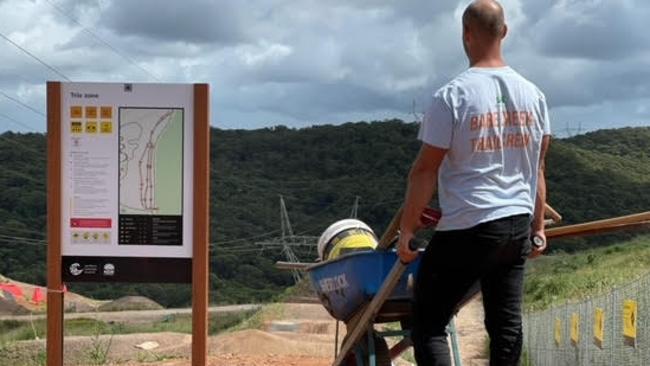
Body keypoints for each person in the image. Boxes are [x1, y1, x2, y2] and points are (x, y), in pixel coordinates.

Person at [397, 0, 551, 365]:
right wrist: (538, 227)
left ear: (466, 35)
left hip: (469, 224)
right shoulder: (536, 96)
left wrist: (407, 230)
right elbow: (537, 167)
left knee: (430, 319)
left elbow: (425, 170)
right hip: (515, 226)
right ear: (505, 32)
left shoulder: (451, 96)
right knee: (505, 325)